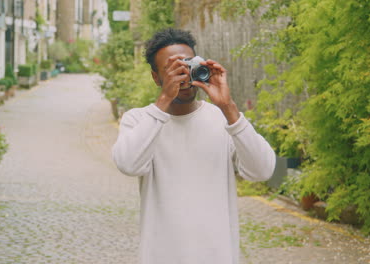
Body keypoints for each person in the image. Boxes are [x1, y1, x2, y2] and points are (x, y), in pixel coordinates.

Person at [112, 28, 276, 264]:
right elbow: (128, 164)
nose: (183, 76)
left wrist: (228, 107)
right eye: (173, 70)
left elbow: (262, 170)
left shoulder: (223, 119)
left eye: (187, 65)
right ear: (156, 77)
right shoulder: (139, 120)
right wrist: (163, 102)